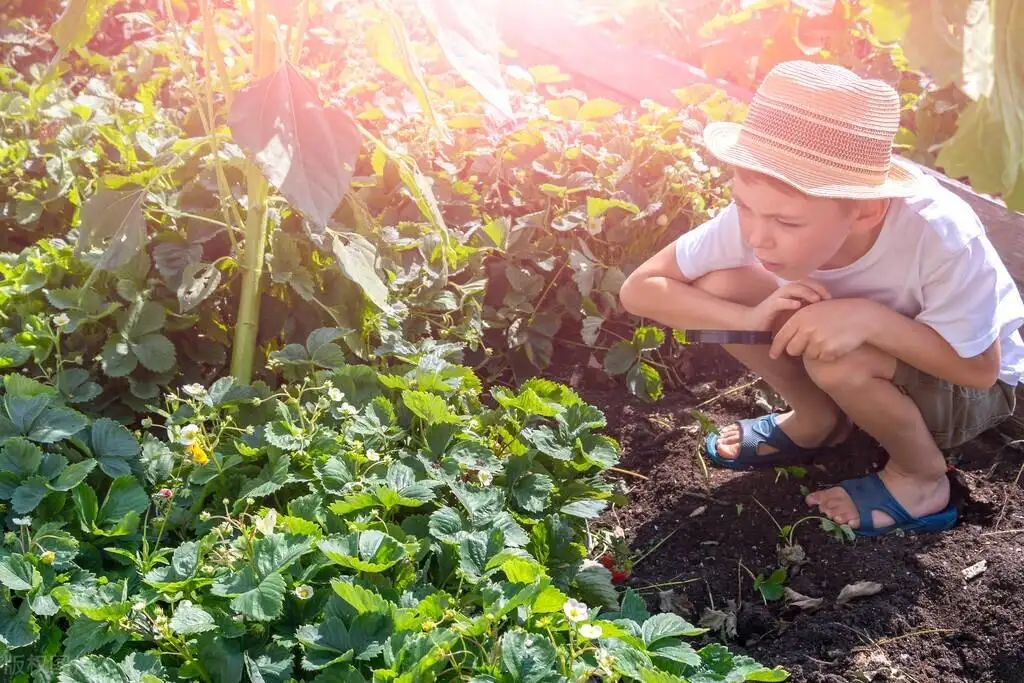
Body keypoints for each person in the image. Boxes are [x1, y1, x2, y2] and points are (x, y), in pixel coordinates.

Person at [618, 60, 1024, 536]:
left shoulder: (938, 236)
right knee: (720, 287)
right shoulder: (765, 215)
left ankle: (920, 478)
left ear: (866, 211)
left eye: (786, 223)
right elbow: (641, 289)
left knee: (842, 361)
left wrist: (869, 320)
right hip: (876, 357)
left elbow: (978, 371)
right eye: (744, 206)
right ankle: (818, 420)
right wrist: (752, 314)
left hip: (966, 387)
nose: (758, 237)